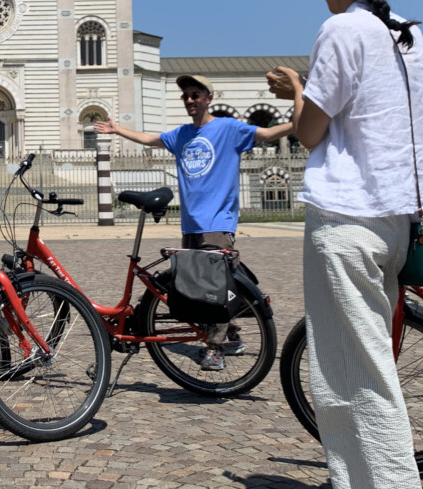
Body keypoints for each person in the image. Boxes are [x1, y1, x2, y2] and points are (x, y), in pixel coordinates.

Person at [267, 0, 423, 489]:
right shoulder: (411, 36)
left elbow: (311, 132)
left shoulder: (341, 30)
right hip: (398, 221)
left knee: (356, 374)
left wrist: (297, 91)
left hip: (348, 222)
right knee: (353, 367)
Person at [94, 75, 293, 370]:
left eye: (195, 95)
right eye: (186, 96)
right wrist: (116, 129)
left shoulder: (227, 129)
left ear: (208, 98)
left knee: (212, 288)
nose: (190, 100)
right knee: (204, 290)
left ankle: (215, 349)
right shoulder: (182, 134)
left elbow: (266, 134)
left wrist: (302, 120)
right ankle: (233, 337)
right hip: (191, 224)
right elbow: (151, 139)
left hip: (217, 222)